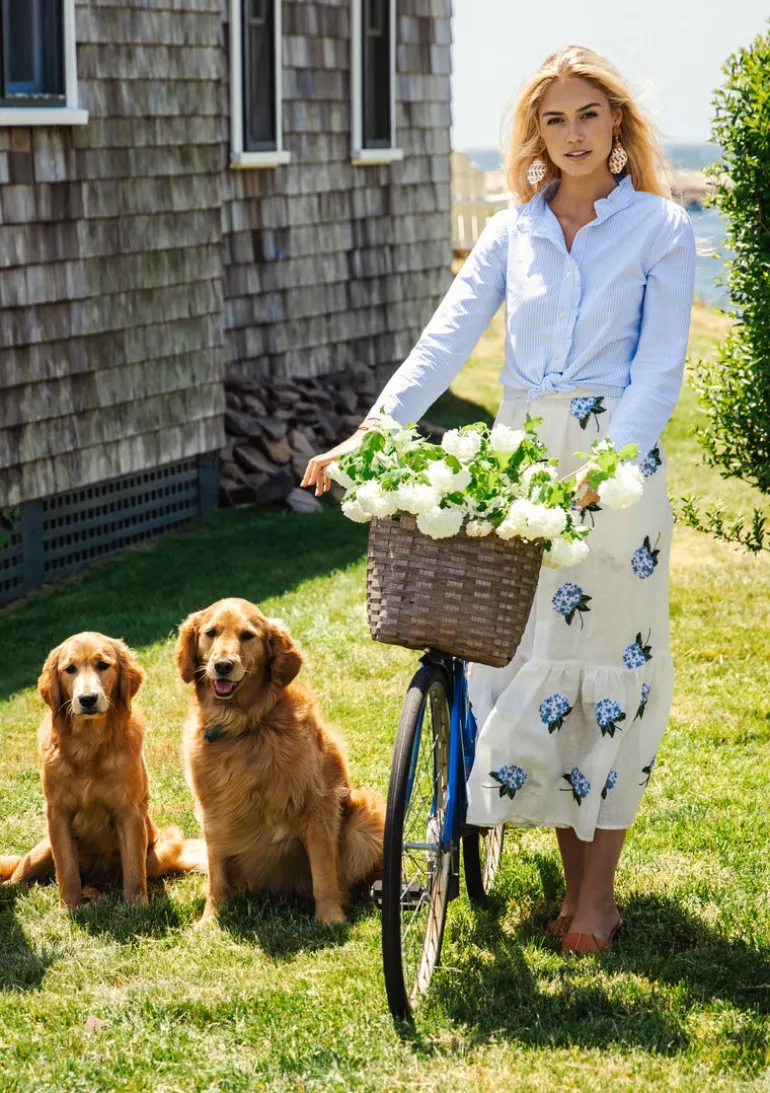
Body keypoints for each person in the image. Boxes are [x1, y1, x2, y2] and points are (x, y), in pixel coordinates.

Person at [300, 44, 696, 954]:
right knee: (530, 670)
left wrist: (611, 462)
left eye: (587, 115)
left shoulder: (661, 230)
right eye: (554, 120)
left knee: (608, 669)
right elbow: (446, 339)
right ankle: (569, 878)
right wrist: (378, 427)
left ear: (618, 124)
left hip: (614, 472)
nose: (572, 136)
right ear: (536, 133)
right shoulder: (512, 230)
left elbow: (659, 368)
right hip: (520, 461)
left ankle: (598, 895)